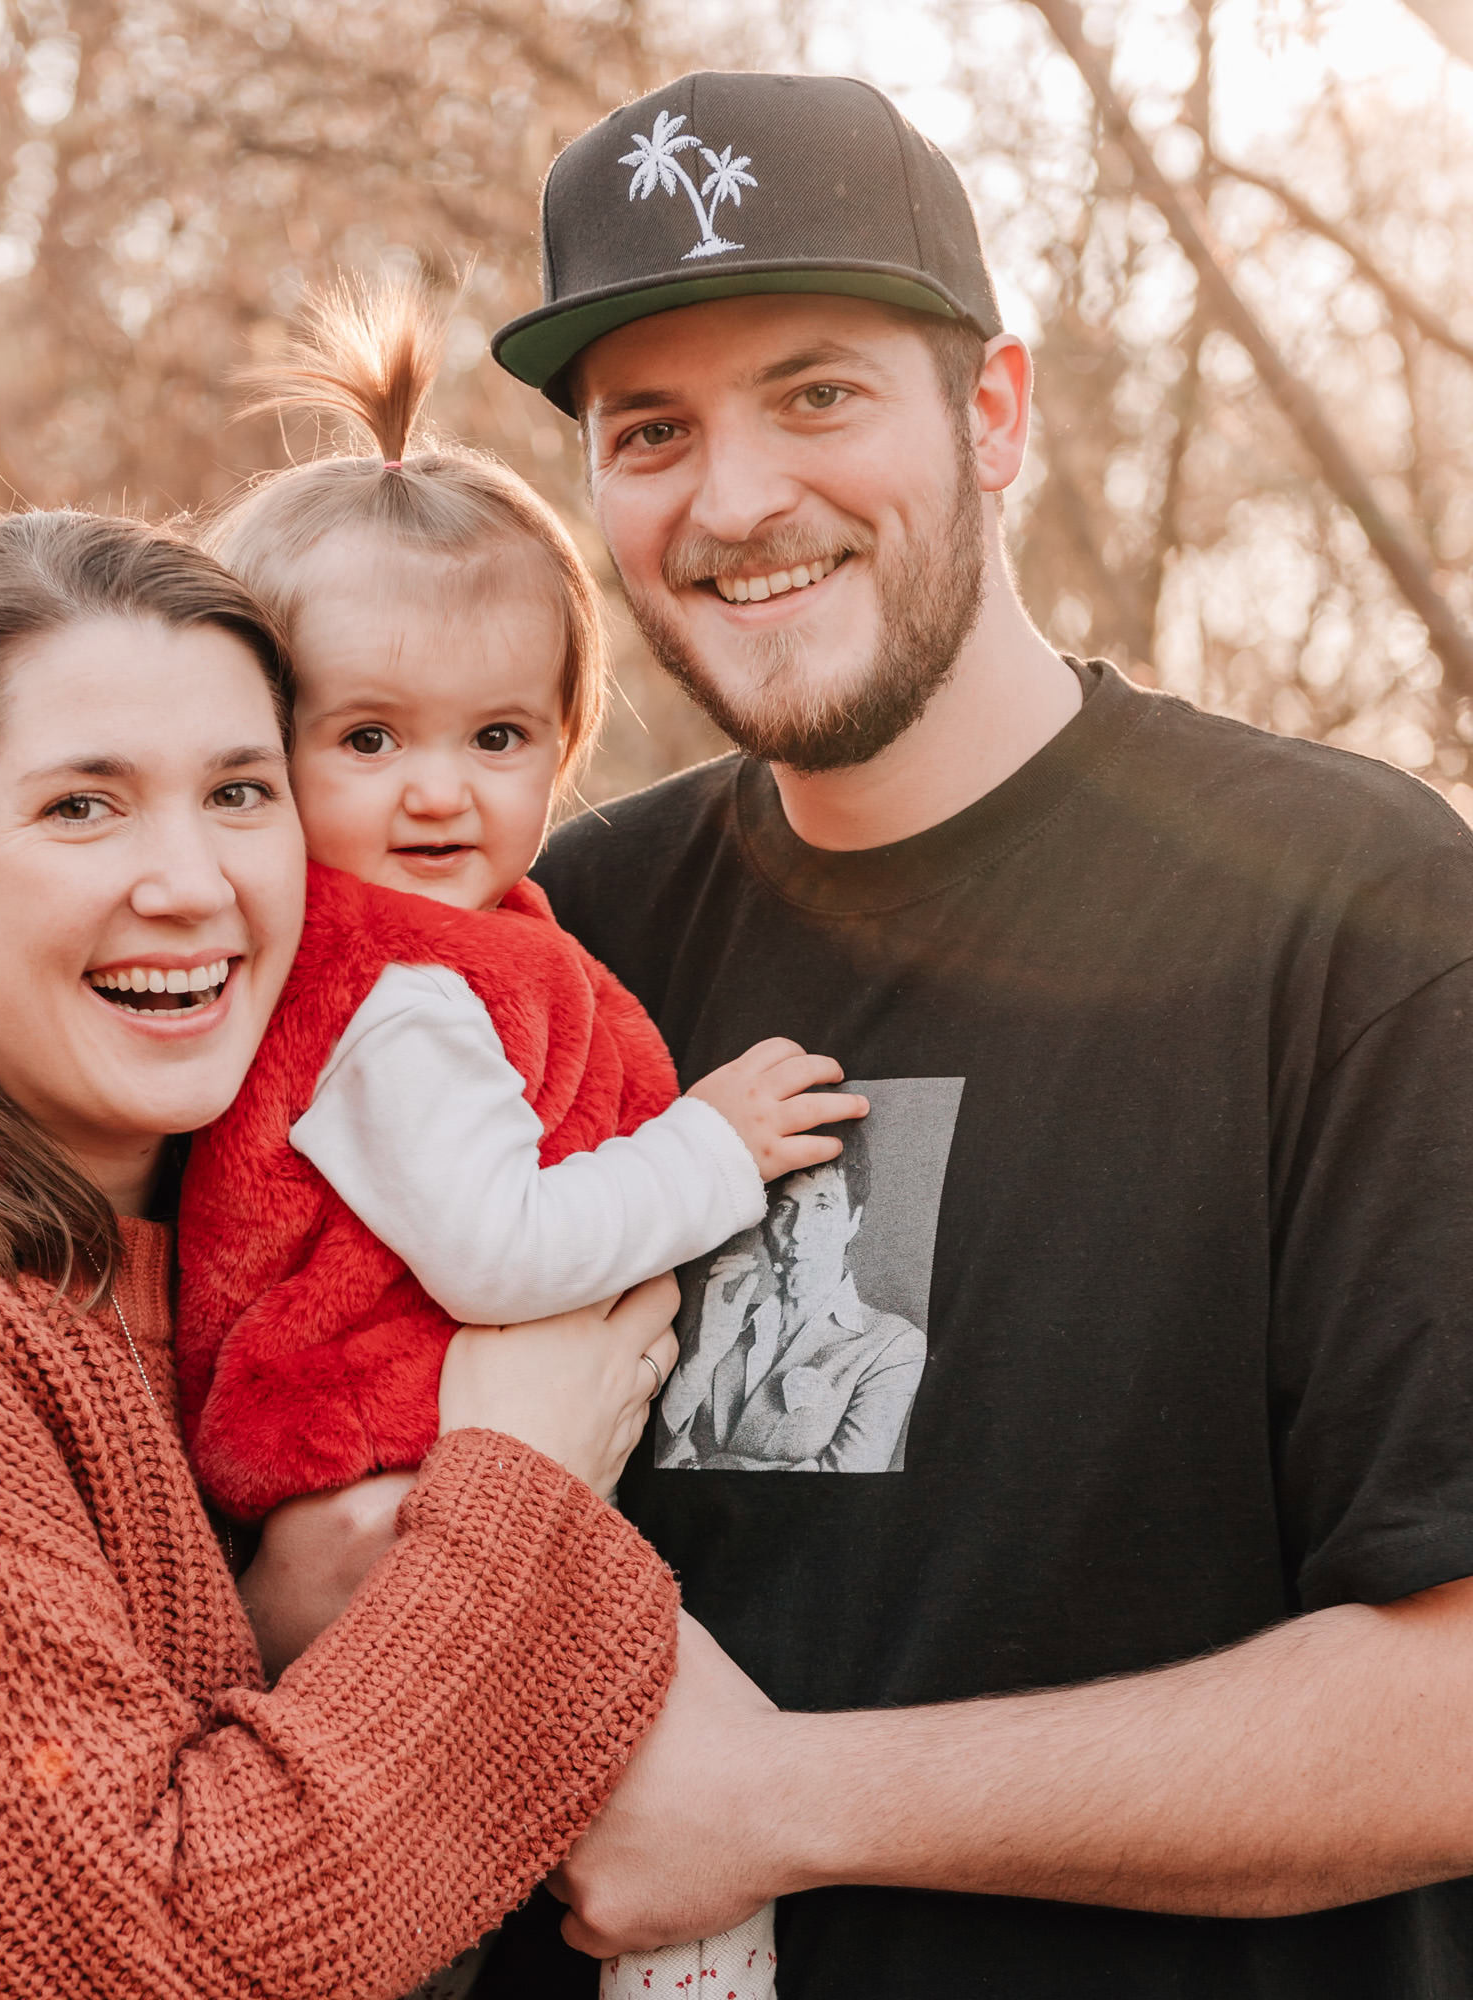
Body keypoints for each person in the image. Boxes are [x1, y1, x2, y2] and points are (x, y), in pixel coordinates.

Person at [475, 67, 1473, 2000]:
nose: (737, 498)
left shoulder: (1354, 905)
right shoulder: (553, 945)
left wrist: (788, 1802)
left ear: (993, 413)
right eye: (651, 429)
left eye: (819, 393)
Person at [0, 509, 691, 2000]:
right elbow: (162, 1954)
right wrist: (523, 1482)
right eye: (83, 808)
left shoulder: (201, 1256)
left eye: (239, 790)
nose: (188, 882)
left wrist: (296, 1615)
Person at [174, 277, 864, 2000]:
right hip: (406, 1498)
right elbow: (497, 1243)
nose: (437, 793)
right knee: (702, 1805)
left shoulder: (457, 952)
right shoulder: (391, 993)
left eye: (496, 740)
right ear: (263, 754)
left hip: (432, 1488)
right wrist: (711, 1150)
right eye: (368, 740)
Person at [660, 1122, 924, 1474]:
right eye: (784, 1208)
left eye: (823, 1207)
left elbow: (846, 1479)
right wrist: (701, 1357)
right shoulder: (723, 1322)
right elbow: (661, 1458)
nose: (797, 1232)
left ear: (853, 1221)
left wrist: (712, 1464)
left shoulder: (893, 1346)